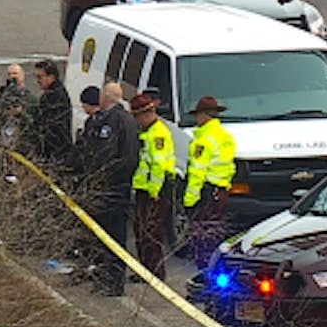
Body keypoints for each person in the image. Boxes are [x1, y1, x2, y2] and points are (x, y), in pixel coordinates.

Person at [73, 82, 140, 296]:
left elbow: (112, 156)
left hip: (113, 188)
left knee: (113, 237)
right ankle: (105, 279)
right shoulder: (121, 119)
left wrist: (102, 178)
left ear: (105, 98)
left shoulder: (116, 121)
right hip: (111, 186)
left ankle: (112, 282)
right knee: (104, 237)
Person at [183, 95, 236, 271]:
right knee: (216, 236)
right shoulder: (225, 136)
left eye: (198, 115)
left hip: (206, 194)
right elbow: (229, 166)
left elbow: (197, 172)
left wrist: (189, 200)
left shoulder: (203, 140)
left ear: (205, 116)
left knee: (202, 239)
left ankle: (205, 277)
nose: (197, 120)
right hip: (221, 192)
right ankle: (218, 275)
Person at [130, 91, 176, 281]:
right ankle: (145, 271)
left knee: (151, 233)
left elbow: (158, 166)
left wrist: (154, 191)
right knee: (141, 231)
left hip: (155, 191)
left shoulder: (158, 134)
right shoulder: (147, 132)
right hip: (145, 189)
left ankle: (154, 273)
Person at [26, 59, 72, 166]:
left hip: (55, 152)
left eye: (40, 77)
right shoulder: (53, 93)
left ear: (51, 77)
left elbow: (47, 126)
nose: (37, 81)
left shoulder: (54, 96)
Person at [0, 63, 33, 153]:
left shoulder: (29, 98)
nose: (12, 77)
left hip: (20, 144)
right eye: (9, 74)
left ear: (22, 76)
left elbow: (33, 124)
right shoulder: (2, 96)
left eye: (15, 73)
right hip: (2, 144)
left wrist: (20, 113)